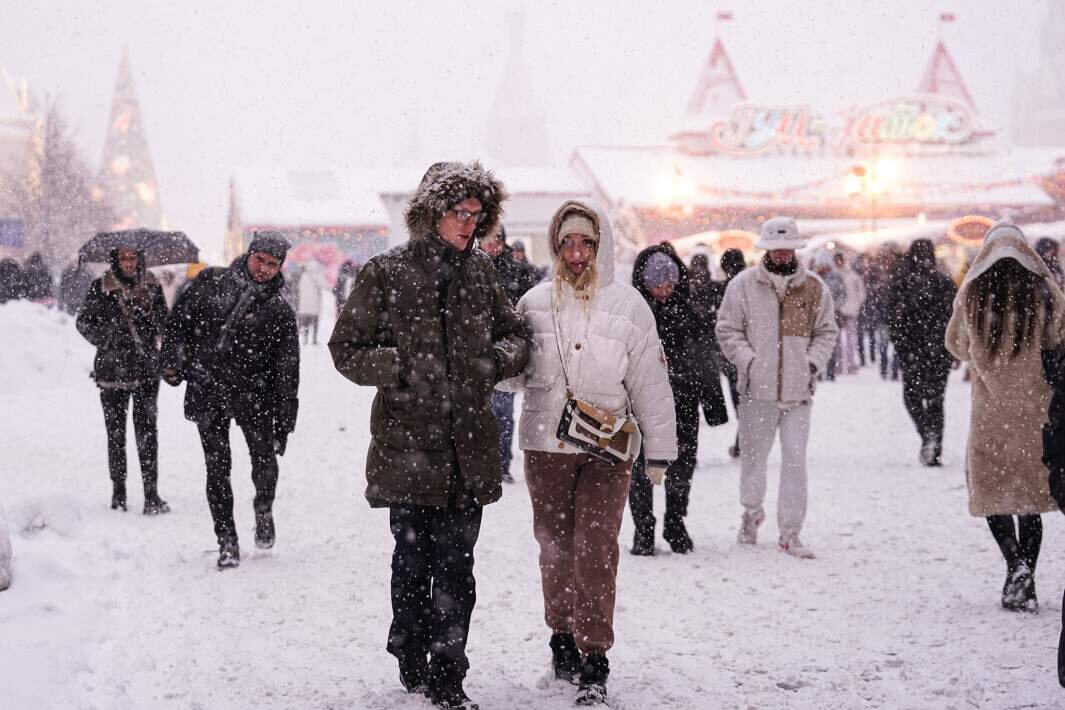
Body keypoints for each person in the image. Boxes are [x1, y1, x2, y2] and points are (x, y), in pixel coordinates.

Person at [329, 161, 528, 710]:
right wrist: (398, 367)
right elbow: (346, 348)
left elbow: (516, 336)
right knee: (413, 563)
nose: (469, 224)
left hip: (468, 450)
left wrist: (494, 361)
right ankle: (410, 650)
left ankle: (448, 673)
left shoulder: (482, 273)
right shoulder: (386, 273)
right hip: (407, 448)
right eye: (458, 213)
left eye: (476, 214)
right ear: (431, 214)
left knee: (457, 567)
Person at [503, 200, 676, 705]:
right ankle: (561, 636)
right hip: (546, 446)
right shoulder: (533, 303)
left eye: (586, 243)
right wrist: (486, 351)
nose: (576, 253)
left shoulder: (628, 305)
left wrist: (660, 450)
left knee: (596, 548)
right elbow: (511, 376)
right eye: (567, 243)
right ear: (555, 246)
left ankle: (595, 653)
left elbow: (649, 380)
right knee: (555, 548)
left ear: (601, 246)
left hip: (607, 448)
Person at [160, 231, 300, 570]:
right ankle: (226, 540)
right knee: (217, 468)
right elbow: (177, 324)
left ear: (280, 267)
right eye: (259, 260)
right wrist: (173, 362)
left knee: (265, 463)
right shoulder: (210, 282)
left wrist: (285, 417)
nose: (264, 268)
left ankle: (263, 509)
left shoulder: (279, 309)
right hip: (209, 388)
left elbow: (288, 367)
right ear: (248, 254)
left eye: (272, 264)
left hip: (256, 395)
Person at [946, 222, 1064, 613]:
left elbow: (957, 345)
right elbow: (1057, 339)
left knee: (993, 492)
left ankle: (1014, 563)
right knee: (1030, 496)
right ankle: (1026, 571)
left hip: (991, 410)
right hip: (1034, 408)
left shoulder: (973, 293)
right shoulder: (1043, 291)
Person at [716, 217, 838, 559]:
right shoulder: (743, 286)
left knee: (795, 460)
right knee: (754, 459)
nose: (782, 254)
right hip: (757, 391)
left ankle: (790, 530)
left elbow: (826, 331)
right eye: (776, 248)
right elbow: (727, 330)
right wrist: (749, 361)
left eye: (787, 248)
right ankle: (752, 510)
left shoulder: (813, 287)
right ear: (766, 250)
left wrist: (811, 362)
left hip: (799, 392)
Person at [628, 245, 724, 556]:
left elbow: (705, 359)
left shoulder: (689, 312)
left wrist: (713, 404)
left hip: (683, 400)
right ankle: (643, 529)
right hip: (641, 404)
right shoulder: (633, 315)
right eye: (658, 285)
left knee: (682, 465)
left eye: (669, 284)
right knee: (641, 468)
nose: (664, 291)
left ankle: (675, 521)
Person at [76, 246, 170, 514]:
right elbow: (84, 322)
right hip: (112, 371)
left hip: (145, 370)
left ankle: (151, 494)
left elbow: (164, 323)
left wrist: (147, 311)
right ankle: (119, 494)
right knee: (115, 434)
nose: (128, 263)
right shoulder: (101, 287)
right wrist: (108, 339)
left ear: (140, 259)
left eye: (133, 258)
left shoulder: (151, 285)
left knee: (147, 433)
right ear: (115, 261)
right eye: (123, 258)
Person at [885, 239, 956, 465]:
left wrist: (901, 343)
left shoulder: (902, 283)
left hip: (913, 351)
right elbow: (953, 319)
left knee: (913, 398)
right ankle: (934, 445)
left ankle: (927, 435)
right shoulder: (943, 283)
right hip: (937, 351)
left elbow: (892, 318)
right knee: (935, 400)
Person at [480, 223, 540, 483]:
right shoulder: (469, 267)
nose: (491, 245)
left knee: (503, 412)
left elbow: (528, 312)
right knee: (480, 413)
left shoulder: (518, 270)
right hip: (476, 353)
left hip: (506, 352)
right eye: (486, 239)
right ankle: (484, 463)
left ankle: (501, 463)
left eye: (495, 239)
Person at [716, 248, 747, 458]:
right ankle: (743, 440)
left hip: (729, 353)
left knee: (739, 399)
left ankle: (742, 441)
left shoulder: (722, 289)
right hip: (749, 351)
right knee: (747, 399)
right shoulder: (749, 287)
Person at [832, 251, 865, 374]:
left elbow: (861, 293)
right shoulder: (833, 275)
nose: (838, 263)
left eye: (840, 260)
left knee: (850, 340)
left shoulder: (852, 275)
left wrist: (856, 306)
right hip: (837, 312)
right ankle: (839, 365)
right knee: (838, 341)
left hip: (850, 311)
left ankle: (850, 365)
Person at [296, 258, 329, 345]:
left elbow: (299, 289)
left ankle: (305, 339)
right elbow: (325, 285)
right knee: (315, 322)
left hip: (304, 304)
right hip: (314, 303)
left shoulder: (304, 275)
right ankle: (314, 339)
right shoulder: (317, 275)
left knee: (306, 322)